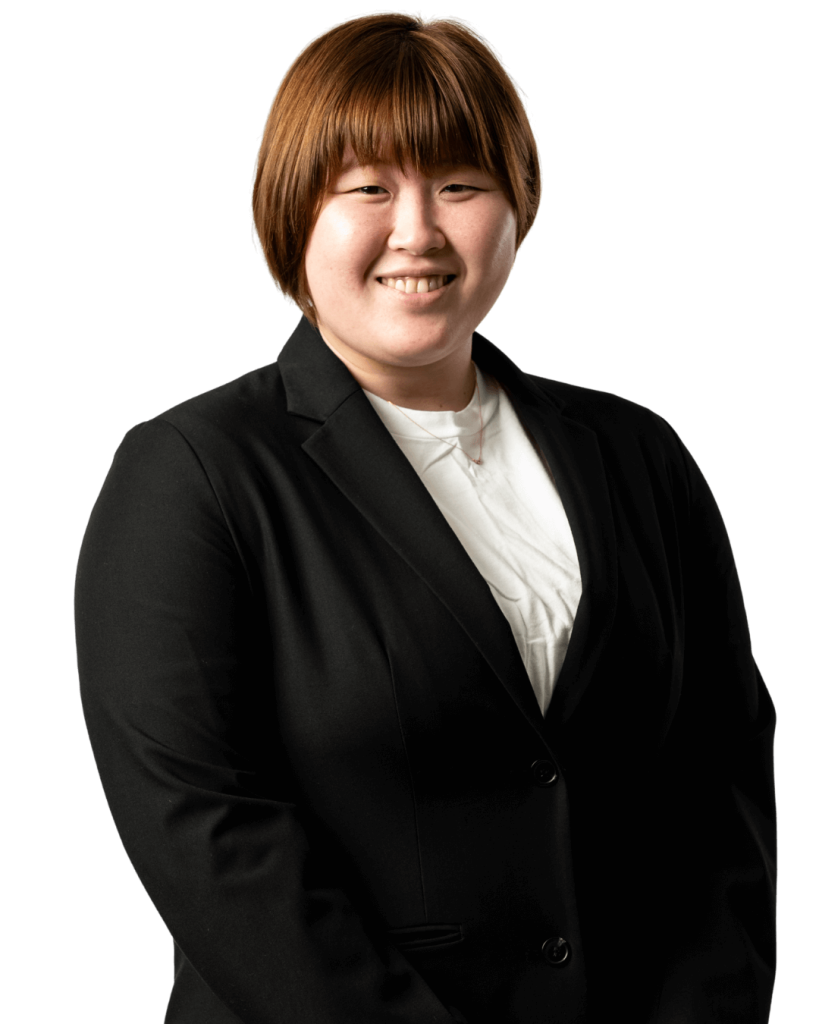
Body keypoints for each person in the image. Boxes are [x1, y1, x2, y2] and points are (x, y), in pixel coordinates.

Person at [74, 11, 777, 1023]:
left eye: (459, 184)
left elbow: (722, 769)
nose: (417, 232)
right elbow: (207, 830)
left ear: (516, 203)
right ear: (293, 213)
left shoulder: (638, 453)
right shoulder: (192, 471)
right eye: (367, 188)